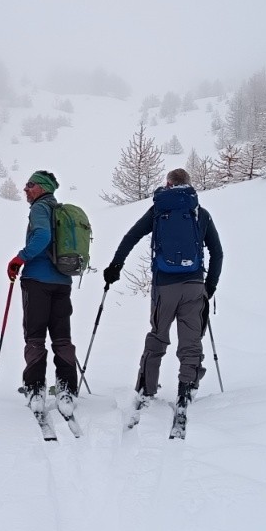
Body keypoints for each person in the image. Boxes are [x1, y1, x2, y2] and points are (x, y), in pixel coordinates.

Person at [102, 168, 223, 408]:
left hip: (164, 286)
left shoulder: (159, 210)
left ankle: (146, 388)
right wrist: (210, 286)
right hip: (194, 286)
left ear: (168, 184)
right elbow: (217, 252)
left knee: (158, 334)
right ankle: (187, 387)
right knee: (190, 340)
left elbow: (131, 236)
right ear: (189, 185)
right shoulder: (201, 214)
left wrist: (115, 265)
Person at [6, 170, 80, 416]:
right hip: (63, 281)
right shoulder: (59, 211)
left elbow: (43, 237)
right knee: (62, 336)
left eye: (30, 185)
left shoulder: (40, 208)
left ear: (43, 188)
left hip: (37, 280)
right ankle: (67, 387)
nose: (25, 189)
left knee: (35, 336)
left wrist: (20, 257)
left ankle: (35, 388)